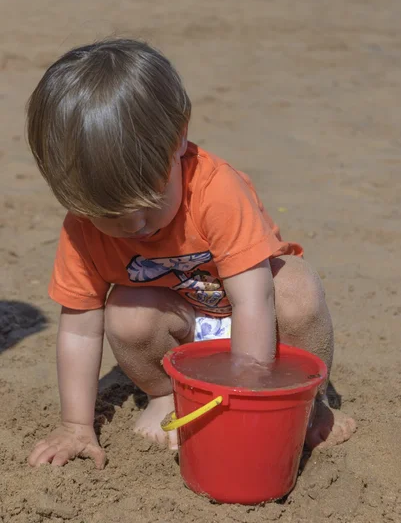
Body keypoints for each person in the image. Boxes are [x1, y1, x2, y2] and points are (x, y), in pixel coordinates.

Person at [26, 39, 356, 469]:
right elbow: (80, 330)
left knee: (296, 286)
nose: (136, 227)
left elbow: (253, 299)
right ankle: (166, 394)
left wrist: (246, 402)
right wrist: (76, 425)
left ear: (179, 139)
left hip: (258, 318)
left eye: (149, 203)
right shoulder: (81, 228)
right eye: (109, 216)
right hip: (182, 327)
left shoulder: (216, 190)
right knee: (125, 313)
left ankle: (308, 402)